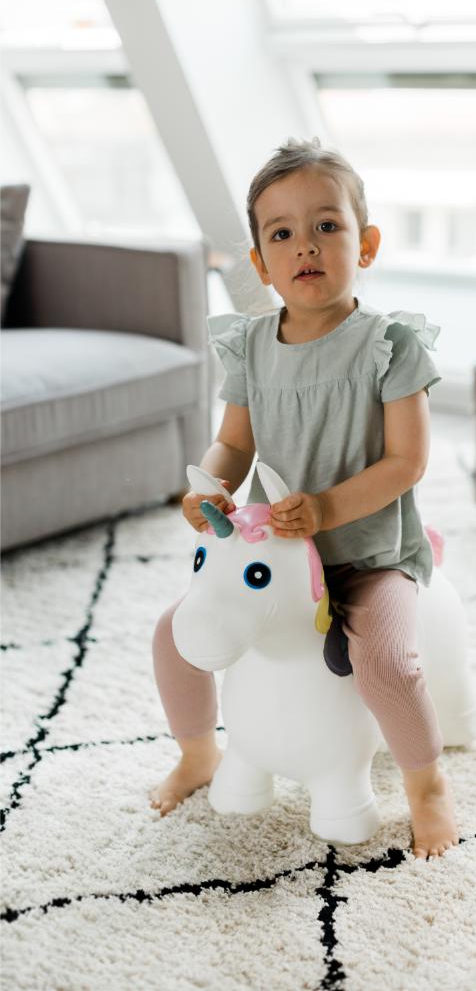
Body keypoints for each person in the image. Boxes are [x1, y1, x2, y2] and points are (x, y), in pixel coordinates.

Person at [149, 137, 459, 859]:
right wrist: (210, 484)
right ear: (261, 264)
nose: (305, 246)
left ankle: (427, 785)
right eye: (282, 234)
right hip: (275, 558)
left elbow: (408, 462)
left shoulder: (390, 344)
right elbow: (233, 445)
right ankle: (198, 752)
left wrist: (325, 511)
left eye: (326, 225)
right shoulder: (251, 345)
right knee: (174, 632)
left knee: (387, 663)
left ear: (366, 244)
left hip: (367, 555)